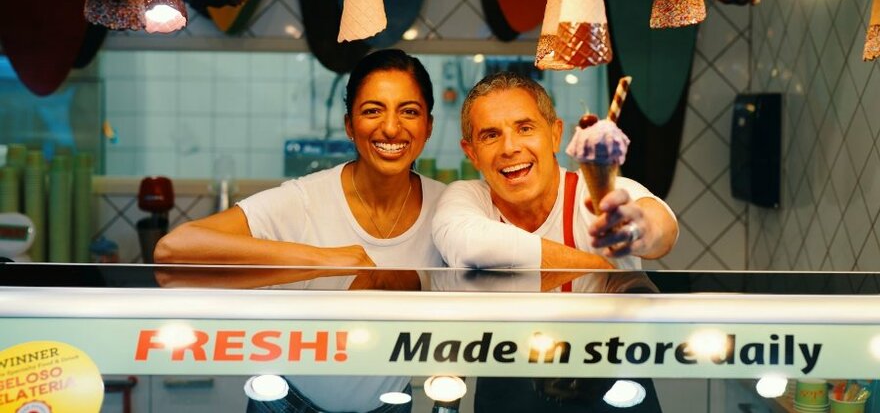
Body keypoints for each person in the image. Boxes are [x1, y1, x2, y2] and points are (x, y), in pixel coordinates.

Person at [154, 48, 444, 413]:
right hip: (285, 404)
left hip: (390, 405)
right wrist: (334, 260)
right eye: (372, 110)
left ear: (428, 126)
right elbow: (172, 254)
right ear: (350, 125)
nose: (390, 127)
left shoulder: (448, 208)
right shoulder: (305, 198)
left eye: (409, 111)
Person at [432, 71, 678, 271]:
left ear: (555, 135)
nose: (509, 148)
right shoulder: (466, 196)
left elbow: (662, 228)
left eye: (525, 128)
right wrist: (596, 266)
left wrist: (639, 230)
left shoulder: (602, 194)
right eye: (491, 135)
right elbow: (466, 244)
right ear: (472, 153)